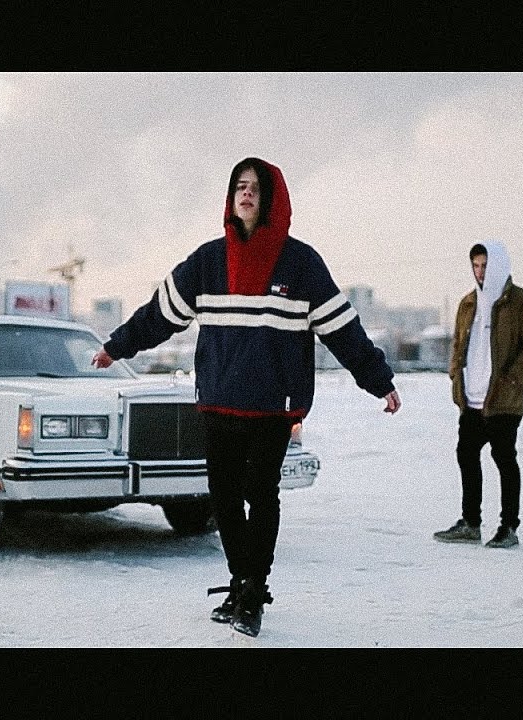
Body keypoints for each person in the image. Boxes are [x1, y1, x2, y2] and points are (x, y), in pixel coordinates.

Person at [91, 157, 401, 637]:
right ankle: (241, 581)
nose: (247, 193)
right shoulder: (208, 261)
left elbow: (342, 330)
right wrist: (117, 346)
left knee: (261, 494)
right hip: (219, 401)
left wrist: (378, 380)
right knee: (224, 498)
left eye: (256, 187)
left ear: (272, 199)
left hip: (273, 406)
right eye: (240, 185)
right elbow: (160, 314)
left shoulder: (301, 264)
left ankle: (254, 591)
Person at [433, 240, 523, 549]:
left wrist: (513, 377)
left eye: (485, 265)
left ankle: (508, 527)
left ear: (498, 266)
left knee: (504, 458)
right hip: (471, 397)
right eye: (475, 266)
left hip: (503, 399)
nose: (480, 272)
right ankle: (471, 523)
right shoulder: (468, 303)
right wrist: (455, 372)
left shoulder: (522, 302)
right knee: (466, 454)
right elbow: (458, 344)